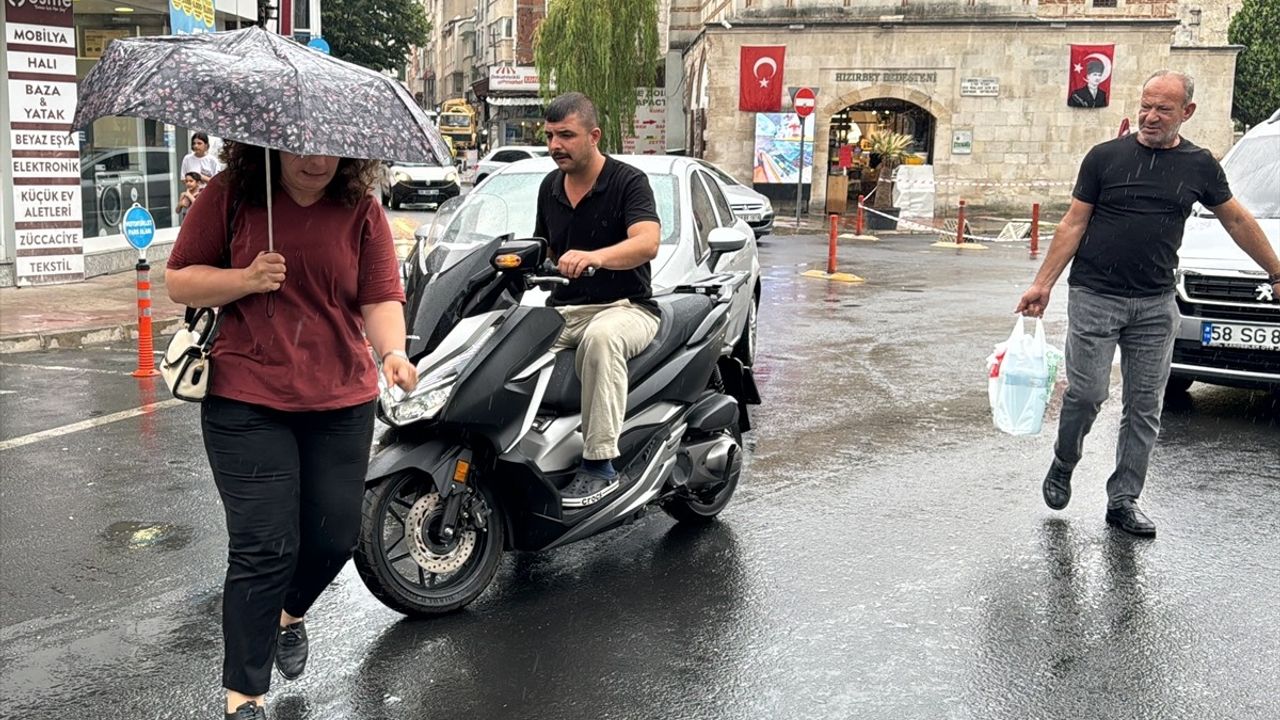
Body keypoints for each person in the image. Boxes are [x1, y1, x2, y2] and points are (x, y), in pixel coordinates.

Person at [166, 142, 418, 720]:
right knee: (263, 547)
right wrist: (246, 278)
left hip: (340, 398)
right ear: (269, 145)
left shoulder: (362, 209)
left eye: (329, 152)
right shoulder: (230, 194)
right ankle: (244, 696)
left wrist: (393, 353)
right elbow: (180, 281)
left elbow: (380, 296)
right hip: (246, 397)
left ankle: (290, 614)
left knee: (335, 536)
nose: (315, 162)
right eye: (300, 150)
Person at [1017, 70, 1280, 538]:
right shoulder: (1105, 158)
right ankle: (1064, 460)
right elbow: (1073, 224)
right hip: (1096, 295)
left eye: (1163, 109)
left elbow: (1237, 221)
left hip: (1157, 304)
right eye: (1146, 105)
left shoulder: (1200, 166)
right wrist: (1043, 284)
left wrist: (1276, 271)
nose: (1151, 116)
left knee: (1144, 407)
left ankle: (1123, 500)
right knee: (1087, 394)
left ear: (1187, 113)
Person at [532, 92, 662, 508]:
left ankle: (600, 464)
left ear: (594, 135)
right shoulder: (550, 186)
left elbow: (647, 243)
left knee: (601, 339)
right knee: (510, 345)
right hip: (566, 311)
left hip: (626, 308)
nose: (555, 146)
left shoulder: (628, 182)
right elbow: (546, 249)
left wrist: (596, 257)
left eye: (566, 135)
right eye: (550, 136)